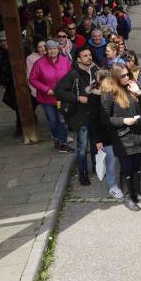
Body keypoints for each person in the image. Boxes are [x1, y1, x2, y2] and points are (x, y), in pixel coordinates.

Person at [100, 63, 141, 211]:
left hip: (138, 133)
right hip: (122, 137)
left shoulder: (132, 86)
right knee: (126, 168)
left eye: (128, 74)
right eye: (123, 76)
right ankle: (127, 197)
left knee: (137, 166)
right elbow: (105, 119)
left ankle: (137, 193)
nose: (127, 78)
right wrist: (124, 121)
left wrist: (139, 92)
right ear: (116, 77)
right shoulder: (109, 93)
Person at [55, 46, 99, 186]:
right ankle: (83, 174)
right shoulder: (73, 74)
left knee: (95, 144)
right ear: (79, 59)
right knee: (82, 147)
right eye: (85, 56)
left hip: (94, 114)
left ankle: (96, 167)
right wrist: (78, 98)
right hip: (80, 117)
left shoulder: (95, 70)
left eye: (90, 55)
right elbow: (58, 91)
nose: (89, 57)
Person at [28, 39, 73, 153]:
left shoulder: (65, 61)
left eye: (54, 49)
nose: (52, 51)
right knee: (53, 120)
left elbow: (71, 75)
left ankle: (63, 143)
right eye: (49, 49)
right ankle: (56, 138)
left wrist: (67, 89)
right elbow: (32, 79)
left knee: (62, 120)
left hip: (61, 97)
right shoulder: (40, 63)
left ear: (58, 50)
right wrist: (46, 89)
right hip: (46, 98)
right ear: (46, 51)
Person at [87, 69, 123, 199]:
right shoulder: (94, 97)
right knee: (111, 162)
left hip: (115, 133)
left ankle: (119, 183)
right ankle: (112, 186)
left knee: (116, 161)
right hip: (105, 136)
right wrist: (97, 140)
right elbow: (93, 120)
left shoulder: (112, 93)